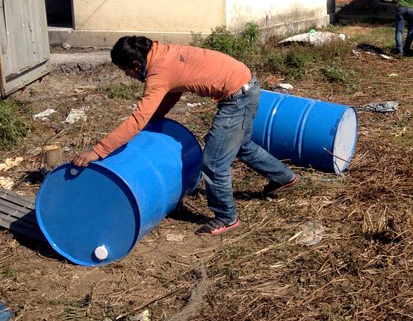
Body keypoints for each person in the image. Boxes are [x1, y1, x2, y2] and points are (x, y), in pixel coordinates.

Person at [71, 36, 298, 236]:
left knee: (214, 162)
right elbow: (173, 91)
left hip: (237, 98)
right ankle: (284, 177)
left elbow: (138, 118)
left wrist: (98, 150)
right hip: (246, 85)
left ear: (136, 64)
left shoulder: (159, 71)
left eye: (126, 71)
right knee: (241, 145)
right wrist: (156, 119)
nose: (128, 76)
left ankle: (226, 217)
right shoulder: (163, 52)